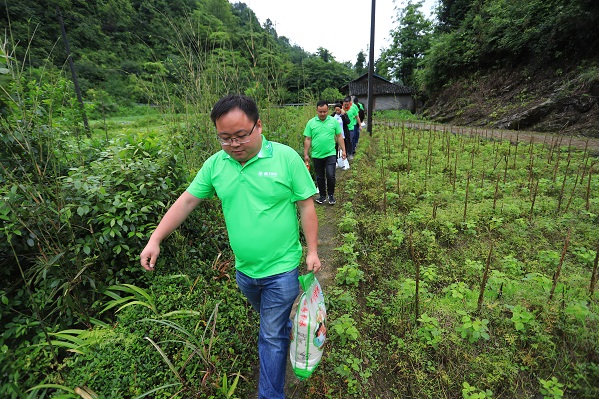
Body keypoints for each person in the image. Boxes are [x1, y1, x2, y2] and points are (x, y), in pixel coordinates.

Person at [140, 94, 322, 399]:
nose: (234, 144)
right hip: (245, 273)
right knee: (272, 325)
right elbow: (186, 201)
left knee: (270, 337)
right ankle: (283, 331)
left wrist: (313, 250)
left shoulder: (286, 159)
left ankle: (270, 394)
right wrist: (155, 238)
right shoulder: (216, 165)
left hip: (282, 269)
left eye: (241, 135)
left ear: (259, 126)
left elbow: (306, 204)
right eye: (225, 138)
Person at [303, 100, 346, 205]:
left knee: (331, 175)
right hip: (317, 155)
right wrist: (306, 154)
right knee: (320, 176)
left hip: (330, 153)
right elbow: (308, 139)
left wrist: (343, 150)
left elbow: (339, 136)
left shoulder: (333, 121)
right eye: (320, 112)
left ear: (328, 110)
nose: (322, 114)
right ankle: (322, 195)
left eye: (325, 112)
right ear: (316, 111)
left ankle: (331, 195)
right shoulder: (311, 123)